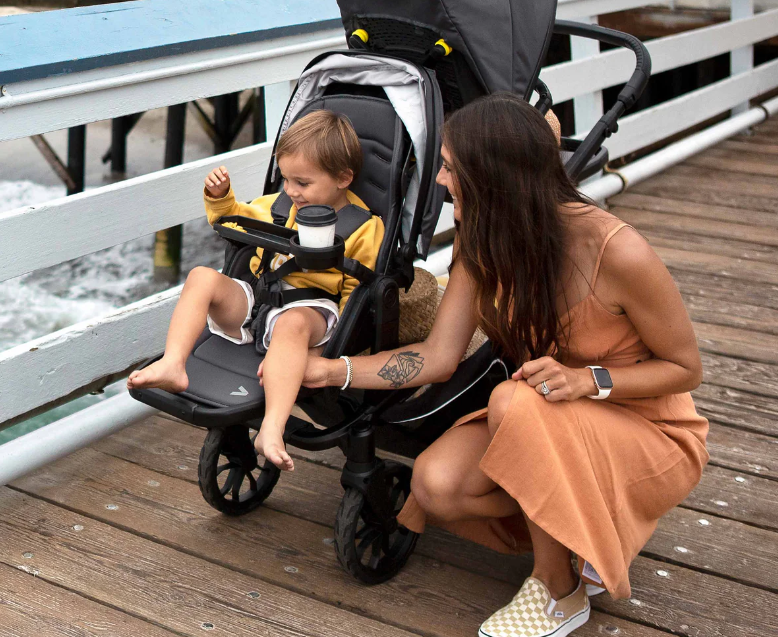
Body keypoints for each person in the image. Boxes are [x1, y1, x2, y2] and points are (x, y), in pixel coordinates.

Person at [296, 93, 709, 637]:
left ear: (495, 178)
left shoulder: (617, 251)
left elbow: (685, 369)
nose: (440, 182)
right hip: (543, 415)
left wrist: (588, 380)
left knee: (513, 398)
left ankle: (558, 589)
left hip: (644, 426)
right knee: (435, 484)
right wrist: (335, 370)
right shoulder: (484, 241)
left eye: (449, 167)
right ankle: (584, 520)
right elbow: (438, 357)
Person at [127, 110, 385, 473]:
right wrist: (219, 196)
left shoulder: (364, 228)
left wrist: (323, 349)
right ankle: (174, 363)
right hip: (259, 299)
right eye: (286, 179)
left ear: (343, 178)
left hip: (310, 311)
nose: (292, 190)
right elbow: (231, 219)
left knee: (292, 324)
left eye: (303, 183)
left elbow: (357, 295)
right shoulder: (280, 205)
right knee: (202, 275)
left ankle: (272, 428)